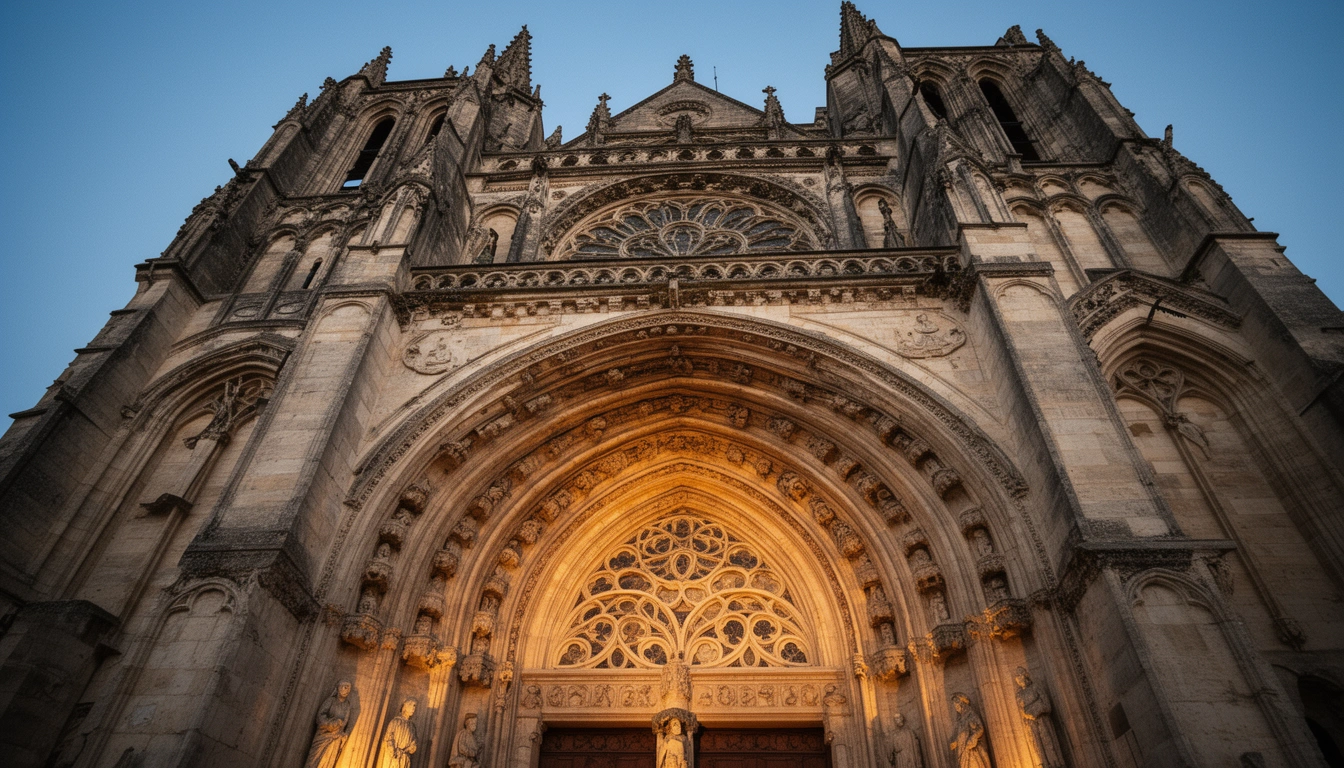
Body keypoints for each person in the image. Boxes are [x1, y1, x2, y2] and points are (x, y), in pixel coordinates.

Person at [304, 681, 354, 768]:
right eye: (344, 686)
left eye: (348, 687)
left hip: (336, 737)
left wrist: (342, 731)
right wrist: (332, 724)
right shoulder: (331, 700)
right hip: (323, 734)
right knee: (314, 759)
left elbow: (345, 721)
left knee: (328, 761)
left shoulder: (347, 706)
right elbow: (320, 716)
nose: (346, 689)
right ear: (338, 688)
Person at [949, 693, 991, 768]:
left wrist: (972, 738)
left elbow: (980, 728)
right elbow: (959, 734)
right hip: (962, 750)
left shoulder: (971, 715)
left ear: (962, 704)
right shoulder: (959, 720)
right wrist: (956, 741)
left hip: (971, 749)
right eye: (955, 705)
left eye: (956, 704)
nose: (956, 707)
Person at [376, 698, 418, 768]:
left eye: (414, 706)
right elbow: (388, 738)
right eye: (411, 705)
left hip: (404, 757)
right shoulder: (395, 722)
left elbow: (414, 742)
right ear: (405, 707)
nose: (413, 708)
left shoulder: (412, 726)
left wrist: (407, 750)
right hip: (394, 756)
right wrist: (393, 752)